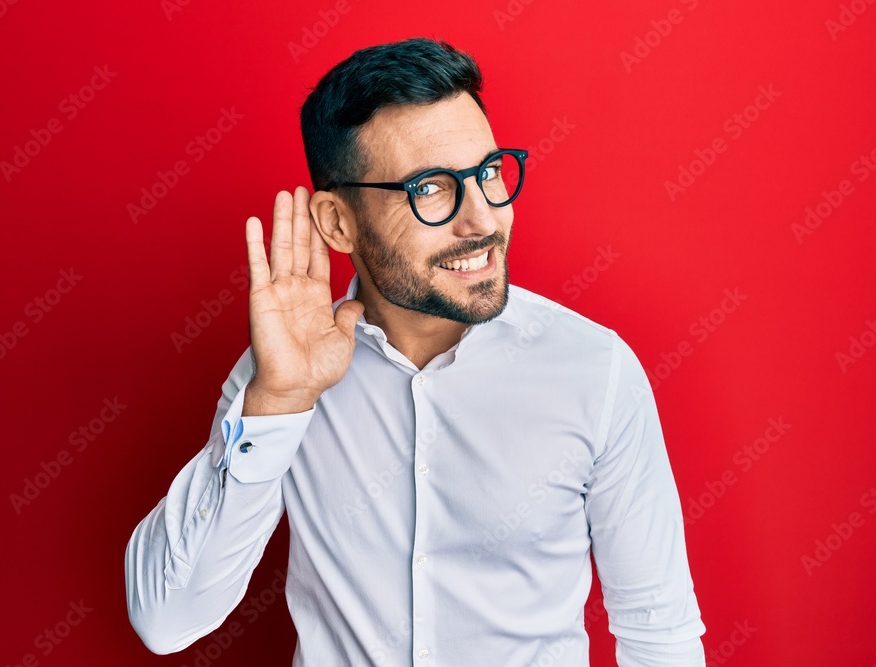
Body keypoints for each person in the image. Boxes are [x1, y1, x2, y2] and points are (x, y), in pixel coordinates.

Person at [125, 37, 706, 666]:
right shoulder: (284, 374)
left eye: (489, 172)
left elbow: (660, 633)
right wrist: (279, 404)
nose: (483, 220)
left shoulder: (595, 370)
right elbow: (166, 619)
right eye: (430, 187)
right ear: (338, 222)